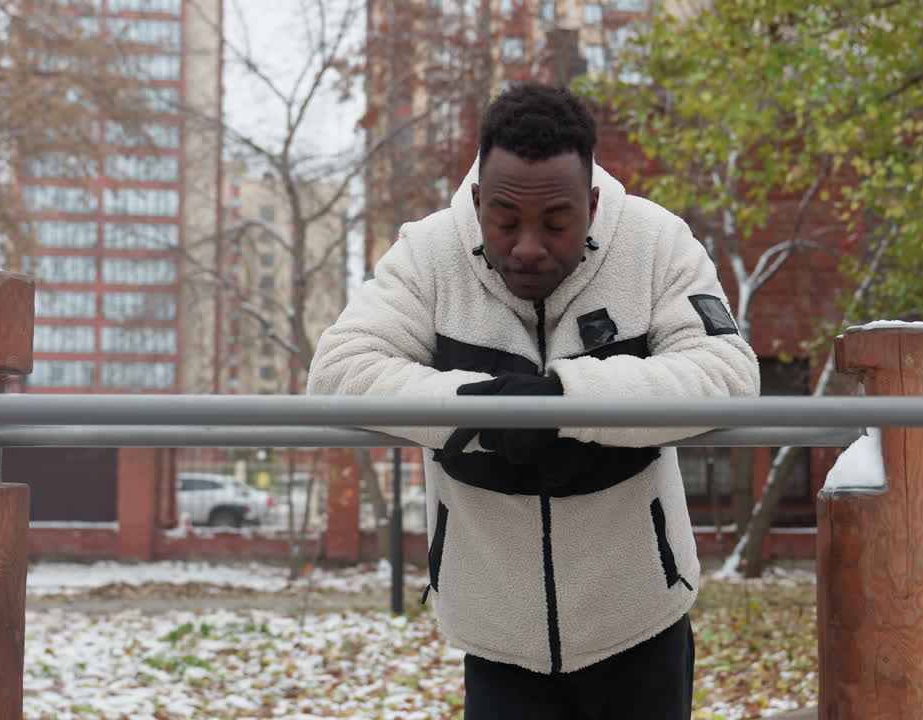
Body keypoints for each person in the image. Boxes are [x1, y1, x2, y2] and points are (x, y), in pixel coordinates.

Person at [307, 83, 760, 719]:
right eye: (505, 220)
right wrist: (480, 407)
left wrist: (565, 399)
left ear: (593, 203)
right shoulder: (428, 254)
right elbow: (338, 370)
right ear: (476, 200)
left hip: (640, 618)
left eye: (555, 222)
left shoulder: (657, 242)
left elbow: (727, 373)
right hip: (497, 634)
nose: (527, 246)